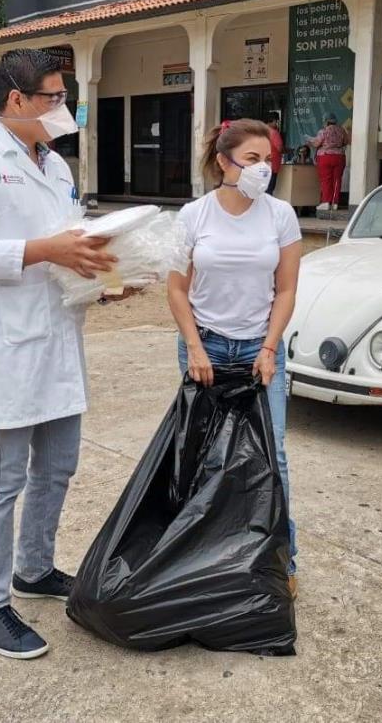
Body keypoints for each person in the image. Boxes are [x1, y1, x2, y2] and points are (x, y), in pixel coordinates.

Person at [0, 48, 120, 661]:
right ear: (17, 101)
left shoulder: (58, 167)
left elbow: (70, 245)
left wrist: (104, 275)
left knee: (57, 467)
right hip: (5, 346)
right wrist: (45, 251)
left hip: (58, 339)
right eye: (55, 99)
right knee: (2, 480)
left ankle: (33, 569)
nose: (65, 110)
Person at [168, 118, 303, 598]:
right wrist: (195, 348)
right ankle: (206, 557)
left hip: (259, 349)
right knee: (205, 453)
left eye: (268, 159)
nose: (263, 168)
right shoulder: (194, 216)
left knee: (273, 454)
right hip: (206, 344)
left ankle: (281, 560)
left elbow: (286, 288)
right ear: (224, 161)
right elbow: (177, 289)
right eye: (252, 159)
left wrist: (269, 348)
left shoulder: (280, 215)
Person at [309, 113, 349, 211]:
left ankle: (326, 202)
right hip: (339, 157)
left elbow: (317, 143)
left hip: (325, 157)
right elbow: (346, 141)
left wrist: (310, 141)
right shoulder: (342, 130)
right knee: (337, 180)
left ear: (326, 121)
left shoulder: (323, 131)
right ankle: (335, 203)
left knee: (326, 180)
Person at [265, 113, 285, 196]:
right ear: (273, 120)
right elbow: (280, 148)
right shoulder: (274, 133)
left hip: (262, 163)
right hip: (272, 165)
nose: (277, 124)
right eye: (276, 121)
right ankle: (267, 208)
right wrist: (287, 150)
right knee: (269, 189)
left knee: (263, 188)